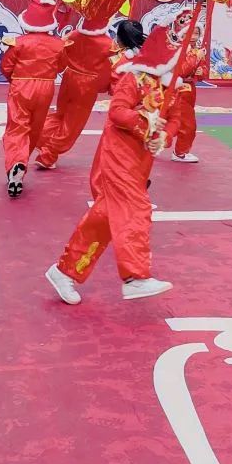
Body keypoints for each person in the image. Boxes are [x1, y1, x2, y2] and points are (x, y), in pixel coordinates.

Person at [46, 26, 180, 305]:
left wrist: (164, 137)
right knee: (137, 207)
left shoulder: (171, 86)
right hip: (119, 152)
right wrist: (145, 122)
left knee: (104, 217)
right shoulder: (135, 78)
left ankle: (64, 271)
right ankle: (135, 277)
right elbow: (117, 111)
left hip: (142, 158)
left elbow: (176, 119)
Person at [35, 0, 127, 171]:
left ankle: (40, 138)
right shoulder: (107, 44)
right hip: (87, 85)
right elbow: (116, 66)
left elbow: (59, 54)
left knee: (60, 114)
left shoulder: (73, 35)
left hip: (69, 78)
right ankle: (48, 154)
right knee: (73, 123)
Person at [0, 0, 69, 197]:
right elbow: (61, 66)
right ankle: (21, 163)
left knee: (16, 128)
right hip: (46, 87)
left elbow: (6, 66)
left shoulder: (18, 42)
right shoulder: (58, 44)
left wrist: (15, 79)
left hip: (21, 85)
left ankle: (16, 163)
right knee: (35, 128)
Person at [170, 12, 206, 165]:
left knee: (173, 119)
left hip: (190, 89)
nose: (194, 36)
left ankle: (152, 144)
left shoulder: (196, 51)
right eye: (191, 32)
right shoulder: (178, 50)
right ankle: (180, 152)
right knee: (187, 124)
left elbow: (203, 71)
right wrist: (196, 58)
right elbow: (182, 70)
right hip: (178, 88)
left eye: (197, 33)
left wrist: (201, 72)